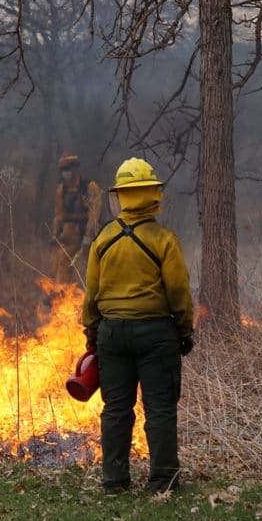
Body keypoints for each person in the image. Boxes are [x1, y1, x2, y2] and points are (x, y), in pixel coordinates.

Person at [80, 156, 195, 494]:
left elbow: (92, 294)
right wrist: (184, 329)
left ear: (120, 196)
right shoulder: (164, 239)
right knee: (159, 409)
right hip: (156, 334)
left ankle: (114, 482)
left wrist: (92, 333)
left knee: (116, 409)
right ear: (151, 194)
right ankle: (163, 482)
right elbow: (178, 292)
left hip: (112, 334)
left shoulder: (104, 239)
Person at [52, 152, 102, 284]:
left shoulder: (90, 187)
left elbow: (94, 213)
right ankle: (63, 296)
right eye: (63, 169)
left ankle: (96, 295)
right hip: (71, 232)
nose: (65, 172)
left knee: (94, 264)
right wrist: (55, 234)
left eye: (67, 168)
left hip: (90, 233)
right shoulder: (61, 190)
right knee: (63, 261)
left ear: (75, 168)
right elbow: (59, 214)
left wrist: (88, 235)